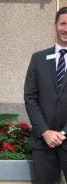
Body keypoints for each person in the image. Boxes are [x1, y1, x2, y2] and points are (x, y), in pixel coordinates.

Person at [24, 7, 67, 184]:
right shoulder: (38, 59)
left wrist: (64, 132)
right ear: (55, 26)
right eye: (63, 23)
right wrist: (45, 131)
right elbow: (30, 97)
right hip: (43, 143)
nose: (66, 29)